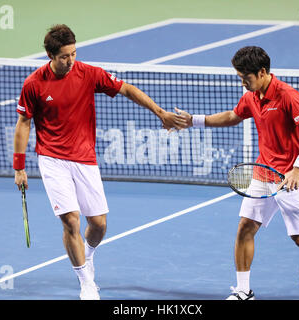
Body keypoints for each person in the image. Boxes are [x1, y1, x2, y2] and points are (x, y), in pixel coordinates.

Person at [174, 46, 299, 300]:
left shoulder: (287, 96)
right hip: (263, 172)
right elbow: (233, 115)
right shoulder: (251, 96)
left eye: (246, 78)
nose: (243, 82)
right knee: (245, 227)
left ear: (262, 72)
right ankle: (243, 291)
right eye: (240, 77)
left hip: (292, 177)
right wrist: (194, 120)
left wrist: (297, 168)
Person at [13, 24, 183, 300]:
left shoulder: (89, 74)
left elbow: (126, 89)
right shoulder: (33, 84)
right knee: (71, 222)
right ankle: (86, 283)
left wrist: (159, 112)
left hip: (84, 159)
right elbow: (23, 123)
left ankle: (87, 254)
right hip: (52, 159)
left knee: (99, 224)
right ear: (49, 55)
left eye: (73, 53)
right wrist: (19, 167)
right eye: (64, 56)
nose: (70, 61)